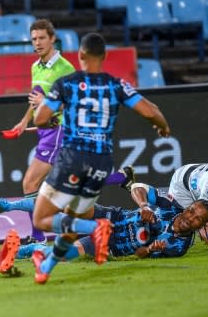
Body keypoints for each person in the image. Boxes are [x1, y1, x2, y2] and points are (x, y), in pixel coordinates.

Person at [30, 32, 171, 284]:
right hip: (101, 164)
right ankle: (47, 266)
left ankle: (98, 229)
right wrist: (163, 127)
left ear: (80, 55)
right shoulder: (116, 85)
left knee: (42, 218)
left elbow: (40, 118)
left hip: (73, 158)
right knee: (74, 220)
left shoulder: (67, 84)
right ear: (104, 57)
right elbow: (151, 111)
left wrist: (52, 116)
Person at [0, 19, 135, 244]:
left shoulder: (65, 68)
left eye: (42, 38)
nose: (37, 43)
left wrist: (47, 102)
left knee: (30, 183)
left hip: (59, 129)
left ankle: (37, 237)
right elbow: (34, 98)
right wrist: (25, 120)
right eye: (34, 38)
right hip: (45, 130)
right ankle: (121, 177)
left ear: (52, 39)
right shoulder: (35, 66)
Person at [16, 183, 208, 262]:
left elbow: (139, 255)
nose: (190, 218)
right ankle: (11, 206)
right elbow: (137, 187)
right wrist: (144, 206)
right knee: (68, 206)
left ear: (201, 225)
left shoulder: (179, 247)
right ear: (188, 207)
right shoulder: (170, 206)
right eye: (192, 211)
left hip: (111, 245)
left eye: (198, 219)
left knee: (62, 256)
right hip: (112, 217)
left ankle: (34, 249)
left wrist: (150, 249)